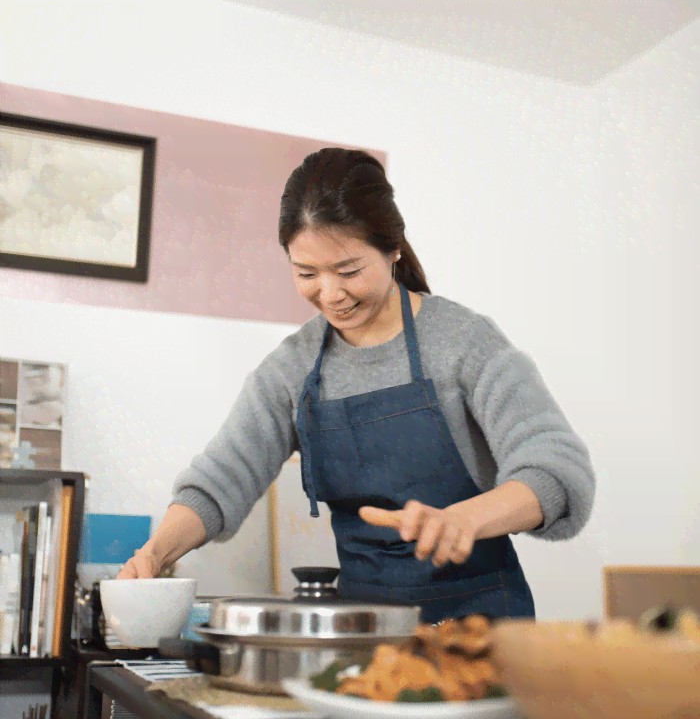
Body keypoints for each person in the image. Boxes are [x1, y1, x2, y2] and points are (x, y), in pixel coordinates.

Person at [117, 148, 595, 623]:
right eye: (306, 274)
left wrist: (465, 519)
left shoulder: (463, 341)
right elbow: (220, 480)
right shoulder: (292, 368)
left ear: (393, 250)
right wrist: (156, 553)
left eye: (348, 271)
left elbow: (556, 470)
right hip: (358, 632)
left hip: (479, 627)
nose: (330, 294)